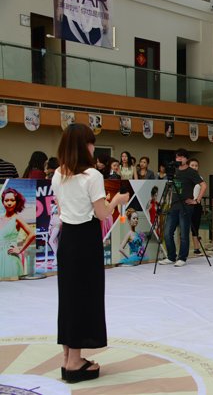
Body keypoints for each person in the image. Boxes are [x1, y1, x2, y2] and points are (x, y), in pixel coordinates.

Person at [51, 123, 129, 383]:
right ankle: (75, 361)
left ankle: (68, 358)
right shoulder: (92, 176)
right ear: (85, 145)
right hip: (86, 240)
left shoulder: (58, 174)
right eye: (91, 142)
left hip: (67, 240)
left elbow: (63, 207)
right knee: (85, 297)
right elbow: (101, 213)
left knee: (69, 298)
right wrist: (117, 200)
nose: (93, 147)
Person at [158, 148, 203, 267]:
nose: (178, 159)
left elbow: (203, 185)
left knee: (183, 233)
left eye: (181, 157)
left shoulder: (191, 172)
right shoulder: (174, 171)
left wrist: (196, 200)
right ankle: (171, 256)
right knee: (167, 233)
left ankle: (182, 258)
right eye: (177, 157)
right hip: (173, 205)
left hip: (186, 206)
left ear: (186, 159)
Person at [0, 188, 35, 280]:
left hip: (10, 257)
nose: (9, 203)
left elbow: (32, 233)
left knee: (12, 286)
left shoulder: (17, 218)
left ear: (17, 202)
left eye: (12, 200)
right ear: (3, 202)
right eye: (6, 200)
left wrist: (20, 249)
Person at [189, 158, 208, 255]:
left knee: (195, 227)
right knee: (184, 228)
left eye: (196, 166)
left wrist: (197, 200)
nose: (194, 167)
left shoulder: (200, 178)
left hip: (196, 205)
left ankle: (196, 248)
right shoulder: (185, 177)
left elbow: (202, 189)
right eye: (192, 165)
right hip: (186, 205)